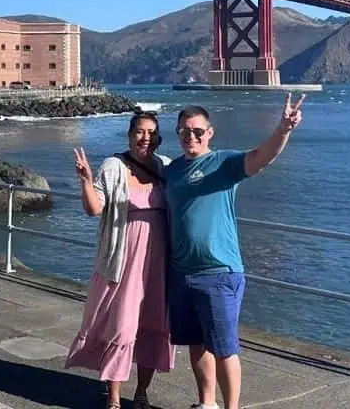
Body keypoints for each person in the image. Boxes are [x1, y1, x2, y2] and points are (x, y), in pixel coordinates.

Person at [166, 94, 305, 409]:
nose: (191, 137)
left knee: (224, 349)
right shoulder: (172, 170)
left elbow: (262, 157)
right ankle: (207, 403)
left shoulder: (224, 163)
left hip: (219, 273)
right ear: (178, 133)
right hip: (181, 272)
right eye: (185, 131)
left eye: (197, 131)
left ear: (210, 133)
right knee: (196, 344)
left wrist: (283, 129)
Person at [65, 111, 175, 409]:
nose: (145, 138)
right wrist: (86, 181)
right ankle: (114, 398)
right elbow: (94, 209)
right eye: (139, 131)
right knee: (123, 328)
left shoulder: (166, 167)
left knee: (153, 327)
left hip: (159, 265)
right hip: (124, 262)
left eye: (151, 133)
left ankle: (141, 393)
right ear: (129, 135)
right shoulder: (114, 166)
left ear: (158, 138)